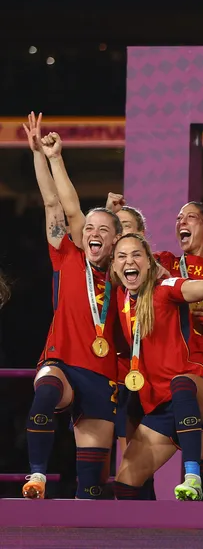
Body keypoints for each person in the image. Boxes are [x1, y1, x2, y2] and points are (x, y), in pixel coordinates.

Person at [21, 118, 121, 501]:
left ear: (115, 242)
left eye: (103, 230)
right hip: (62, 360)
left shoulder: (123, 274)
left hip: (101, 374)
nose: (93, 234)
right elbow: (56, 203)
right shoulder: (67, 256)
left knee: (92, 487)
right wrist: (45, 157)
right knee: (45, 391)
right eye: (89, 228)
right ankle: (37, 476)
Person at [111, 232, 203, 501]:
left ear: (150, 262)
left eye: (136, 255)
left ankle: (191, 477)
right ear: (115, 266)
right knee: (125, 485)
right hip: (161, 407)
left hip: (196, 392)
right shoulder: (120, 297)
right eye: (122, 256)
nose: (129, 261)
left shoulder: (166, 289)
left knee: (181, 383)